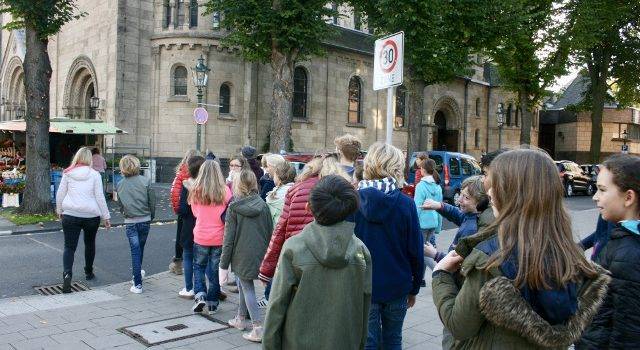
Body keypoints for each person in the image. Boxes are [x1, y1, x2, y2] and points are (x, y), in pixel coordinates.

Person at [432, 149, 610, 349]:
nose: (490, 192)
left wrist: (441, 275)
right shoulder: (568, 253)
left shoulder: (490, 258)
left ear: (514, 194)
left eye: (497, 185)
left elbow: (459, 326)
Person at [263, 175, 372, 349]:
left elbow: (277, 303)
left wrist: (269, 345)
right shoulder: (361, 251)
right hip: (344, 342)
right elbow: (364, 306)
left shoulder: (294, 247)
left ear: (308, 208)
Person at [353, 142, 424, 350]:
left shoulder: (353, 202)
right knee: (393, 339)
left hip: (364, 285)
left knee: (368, 341)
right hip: (397, 285)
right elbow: (416, 251)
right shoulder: (405, 204)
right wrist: (414, 288)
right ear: (396, 167)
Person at [577, 154, 640, 349]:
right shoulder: (622, 240)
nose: (595, 197)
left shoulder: (629, 255)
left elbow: (627, 335)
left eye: (602, 190)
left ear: (628, 197)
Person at [219, 168, 273, 342]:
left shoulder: (234, 207)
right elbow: (270, 231)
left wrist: (223, 264)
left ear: (238, 185)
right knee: (244, 286)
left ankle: (257, 327)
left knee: (247, 288)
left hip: (241, 254)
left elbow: (228, 238)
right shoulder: (263, 205)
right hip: (259, 252)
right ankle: (241, 319)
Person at [258, 156, 322, 284]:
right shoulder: (335, 188)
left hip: (293, 247)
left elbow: (279, 228)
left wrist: (266, 271)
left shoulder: (294, 191)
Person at [56, 147, 111, 293]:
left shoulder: (68, 173)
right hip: (91, 215)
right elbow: (100, 197)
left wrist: (59, 210)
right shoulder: (94, 175)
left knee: (69, 247)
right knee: (89, 243)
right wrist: (106, 216)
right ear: (90, 159)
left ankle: (67, 273)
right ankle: (88, 271)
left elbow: (60, 193)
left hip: (70, 214)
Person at [189, 160, 233, 315]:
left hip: (201, 235)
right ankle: (213, 303)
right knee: (215, 271)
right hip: (219, 237)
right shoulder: (225, 191)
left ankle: (200, 294)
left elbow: (195, 213)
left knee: (199, 267)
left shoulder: (195, 190)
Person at [422, 175, 488, 263]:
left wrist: (435, 254)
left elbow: (457, 264)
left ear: (480, 202)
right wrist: (440, 206)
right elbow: (458, 215)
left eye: (466, 197)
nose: (459, 200)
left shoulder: (470, 230)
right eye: (461, 194)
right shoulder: (474, 216)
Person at [258, 161, 296, 308]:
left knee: (275, 268)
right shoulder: (297, 191)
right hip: (294, 236)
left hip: (278, 237)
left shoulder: (272, 198)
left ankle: (269, 296)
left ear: (278, 178)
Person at [116, 155, 156, 294]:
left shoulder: (120, 184)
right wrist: (151, 215)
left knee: (135, 251)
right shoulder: (146, 181)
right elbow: (152, 201)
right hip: (145, 219)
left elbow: (120, 204)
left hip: (130, 221)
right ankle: (137, 274)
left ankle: (137, 283)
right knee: (140, 248)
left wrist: (125, 214)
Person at [170, 149, 199, 275]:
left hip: (181, 210)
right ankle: (193, 262)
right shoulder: (194, 173)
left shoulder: (180, 172)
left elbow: (175, 191)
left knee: (181, 236)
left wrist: (177, 208)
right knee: (194, 236)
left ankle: (178, 263)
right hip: (191, 209)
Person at [413, 158, 443, 272]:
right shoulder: (438, 187)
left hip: (422, 223)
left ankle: (439, 270)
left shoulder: (421, 186)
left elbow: (417, 207)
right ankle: (421, 279)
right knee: (425, 249)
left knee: (422, 251)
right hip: (433, 223)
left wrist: (413, 224)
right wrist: (439, 226)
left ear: (423, 170)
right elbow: (440, 208)